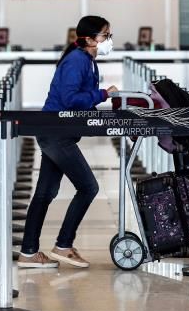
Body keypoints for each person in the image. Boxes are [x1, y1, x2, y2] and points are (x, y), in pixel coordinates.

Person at [18, 15, 117, 269]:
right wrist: (104, 93)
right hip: (56, 133)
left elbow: (82, 102)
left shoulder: (86, 61)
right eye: (105, 36)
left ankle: (28, 253)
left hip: (56, 131)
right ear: (88, 39)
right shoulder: (76, 61)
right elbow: (72, 99)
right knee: (88, 188)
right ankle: (63, 245)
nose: (108, 40)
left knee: (44, 193)